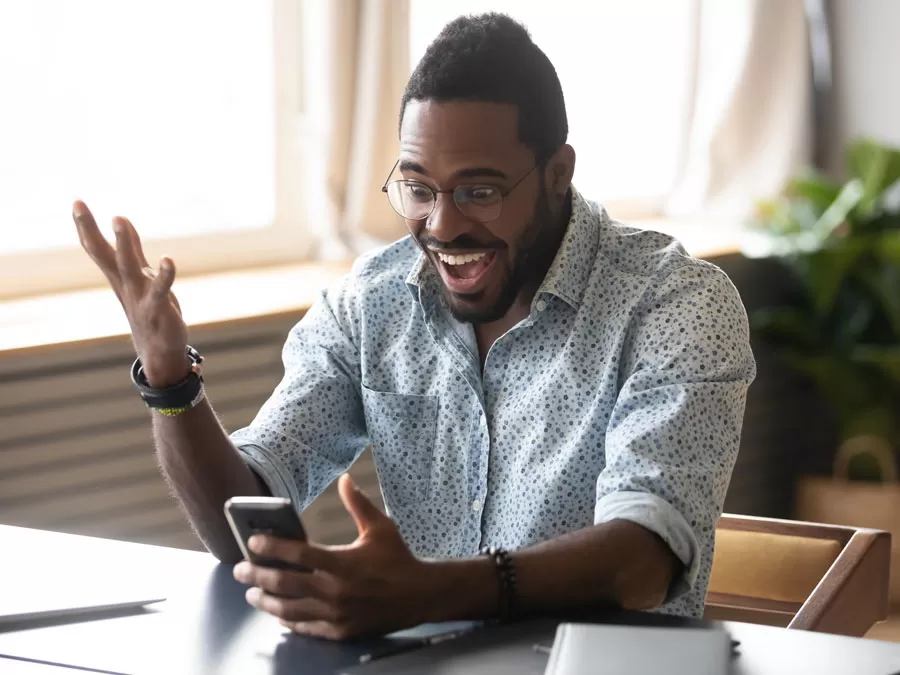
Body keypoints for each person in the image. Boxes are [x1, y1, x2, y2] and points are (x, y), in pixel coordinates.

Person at [72, 13, 755, 640]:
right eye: (419, 188)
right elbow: (244, 514)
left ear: (557, 174)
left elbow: (642, 558)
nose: (444, 224)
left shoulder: (676, 305)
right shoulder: (372, 304)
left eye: (479, 191)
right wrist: (169, 380)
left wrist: (428, 592)